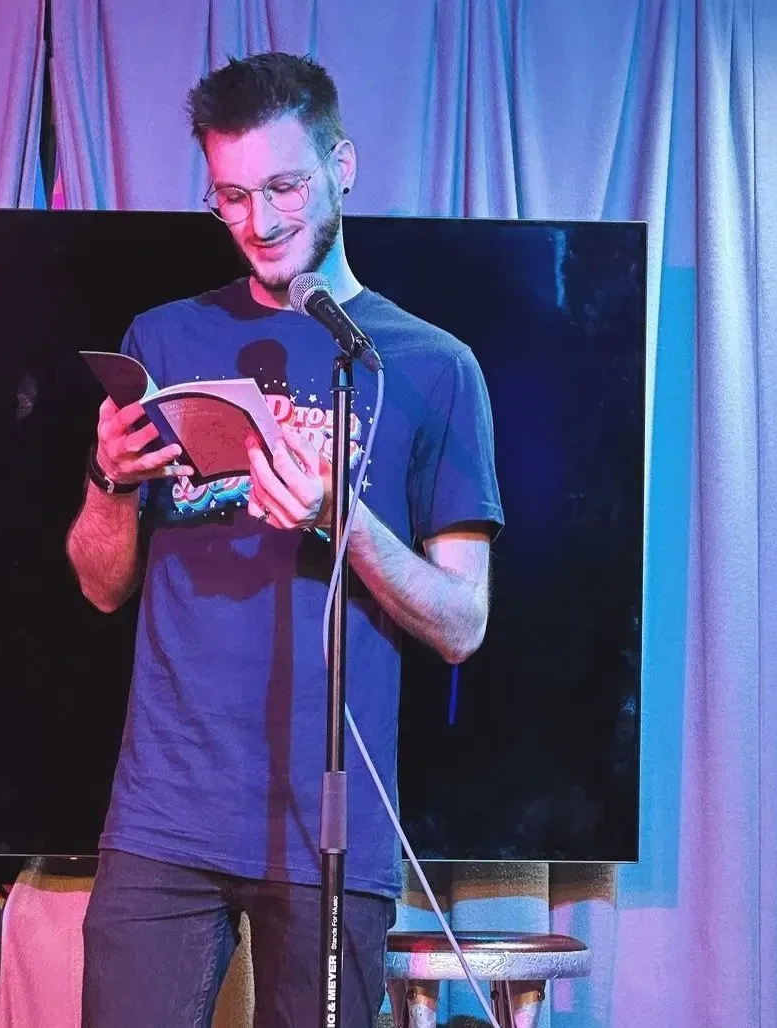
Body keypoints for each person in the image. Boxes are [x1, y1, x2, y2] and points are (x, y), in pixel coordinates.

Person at [66, 51, 504, 1028]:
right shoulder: (163, 339)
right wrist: (109, 481)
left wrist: (340, 522)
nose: (258, 222)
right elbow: (99, 584)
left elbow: (463, 622)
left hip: (328, 831)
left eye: (282, 186)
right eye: (229, 196)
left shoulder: (431, 368)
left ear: (341, 165)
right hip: (162, 818)